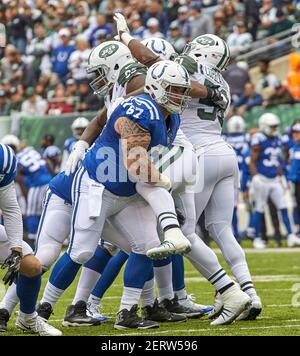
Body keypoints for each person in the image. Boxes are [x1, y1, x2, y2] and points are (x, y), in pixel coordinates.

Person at [114, 16, 258, 324]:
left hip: (194, 154)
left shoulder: (187, 69)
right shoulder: (222, 83)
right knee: (221, 229)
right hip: (223, 152)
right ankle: (247, 291)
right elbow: (200, 92)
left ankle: (187, 297)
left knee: (180, 231)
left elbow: (152, 62)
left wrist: (126, 38)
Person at [0, 139, 61, 336]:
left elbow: (10, 209)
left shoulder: (5, 158)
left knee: (31, 265)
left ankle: (27, 318)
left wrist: (16, 248)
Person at [249, 113, 300, 249]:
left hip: (275, 179)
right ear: (264, 126)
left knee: (283, 207)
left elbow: (278, 160)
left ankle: (290, 236)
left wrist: (281, 176)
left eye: (276, 126)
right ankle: (257, 238)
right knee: (259, 208)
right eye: (272, 126)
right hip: (262, 178)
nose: (275, 129)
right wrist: (255, 176)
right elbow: (252, 160)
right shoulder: (258, 138)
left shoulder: (277, 138)